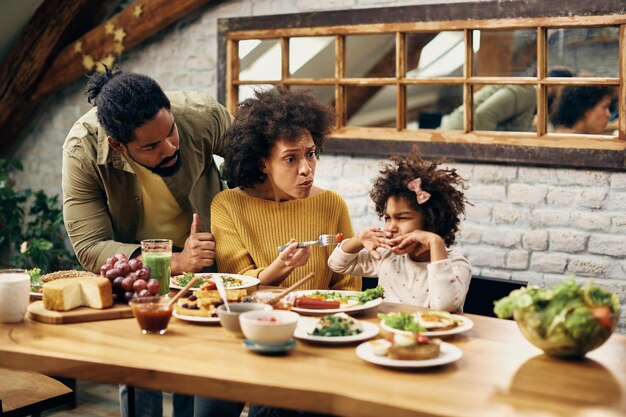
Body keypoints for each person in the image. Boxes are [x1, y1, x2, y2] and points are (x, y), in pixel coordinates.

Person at [61, 68, 233, 417]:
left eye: (170, 132)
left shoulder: (202, 116)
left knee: (198, 362)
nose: (169, 148)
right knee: (141, 370)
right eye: (151, 146)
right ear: (118, 145)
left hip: (206, 257)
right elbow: (91, 246)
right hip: (139, 269)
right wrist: (176, 260)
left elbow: (255, 166)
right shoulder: (82, 151)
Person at [197, 87, 359, 417]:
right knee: (210, 395)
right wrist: (275, 272)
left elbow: (348, 290)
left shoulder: (332, 204)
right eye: (291, 158)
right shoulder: (228, 205)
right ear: (263, 163)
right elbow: (235, 285)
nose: (306, 169)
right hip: (248, 333)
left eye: (311, 154)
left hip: (313, 340)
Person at [328, 147, 471, 312]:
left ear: (432, 220)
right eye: (388, 218)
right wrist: (359, 239)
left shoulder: (457, 265)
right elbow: (336, 264)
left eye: (402, 218)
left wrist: (435, 242)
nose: (391, 227)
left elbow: (443, 306)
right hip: (389, 335)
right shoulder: (387, 257)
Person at [440, 84, 536, 132]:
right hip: (455, 137)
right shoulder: (526, 93)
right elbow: (484, 115)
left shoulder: (528, 95)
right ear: (551, 87)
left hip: (456, 134)